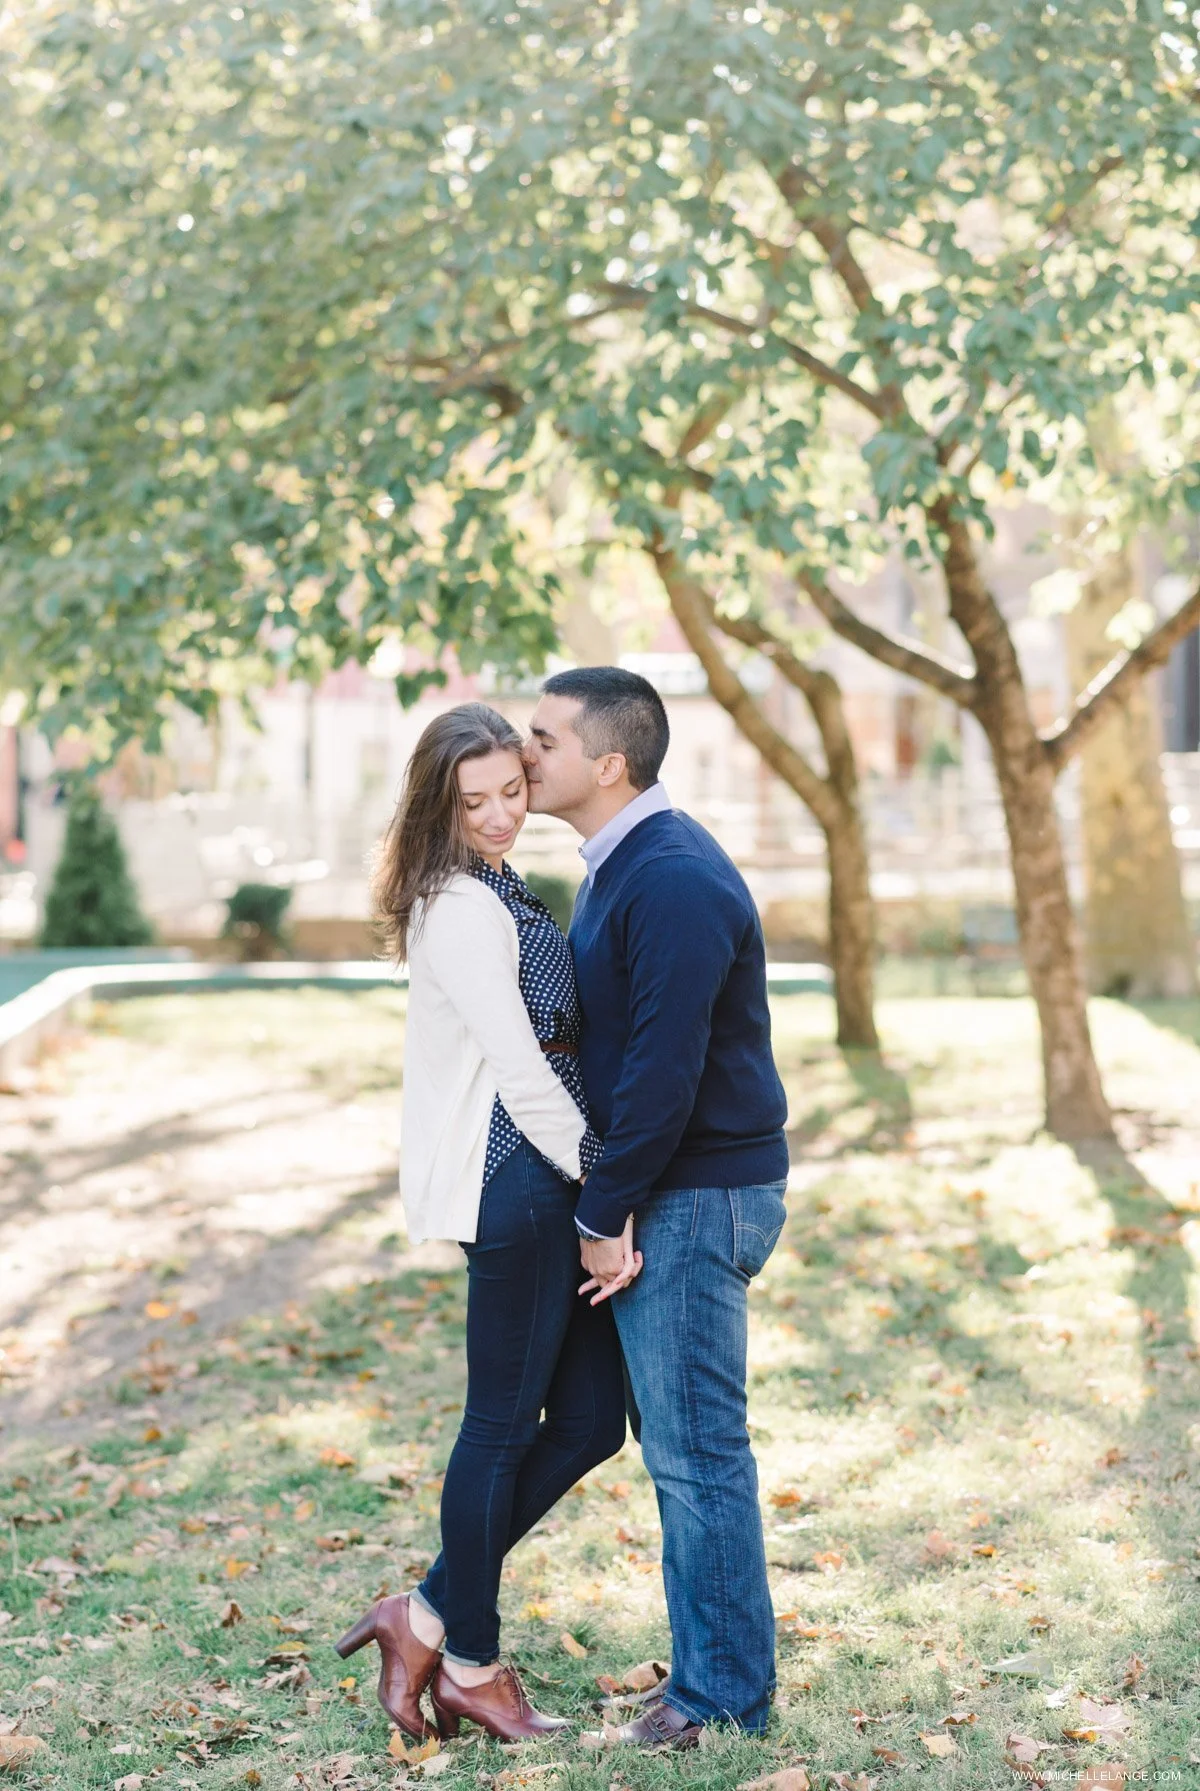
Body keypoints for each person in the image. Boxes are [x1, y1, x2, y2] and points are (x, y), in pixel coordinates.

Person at [335, 702, 631, 1744]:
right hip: (520, 1185)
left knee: (593, 1421)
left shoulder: (504, 885)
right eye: (476, 802)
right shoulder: (458, 904)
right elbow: (522, 1067)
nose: (502, 815)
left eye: (513, 791)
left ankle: (419, 1613)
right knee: (500, 1429)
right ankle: (470, 1661)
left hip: (549, 1177)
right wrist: (606, 1188)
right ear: (437, 804)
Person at [524, 666, 790, 1749]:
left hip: (697, 1193)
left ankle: (721, 1699)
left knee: (697, 1452)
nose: (523, 751)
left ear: (609, 763)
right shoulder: (621, 863)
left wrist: (607, 1207)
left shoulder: (668, 875)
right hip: (679, 1187)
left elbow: (663, 1071)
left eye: (544, 739)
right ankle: (713, 1676)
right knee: (684, 1446)